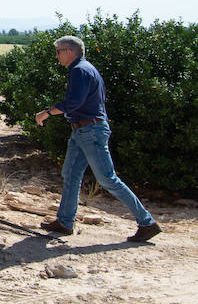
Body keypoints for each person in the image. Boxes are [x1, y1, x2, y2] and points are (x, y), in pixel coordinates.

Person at [34, 35, 161, 242]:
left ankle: (147, 222)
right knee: (71, 174)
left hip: (90, 131)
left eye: (58, 52)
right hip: (82, 131)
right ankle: (65, 222)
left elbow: (73, 102)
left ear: (69, 51)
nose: (57, 56)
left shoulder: (79, 71)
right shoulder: (83, 69)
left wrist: (47, 112)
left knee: (107, 179)